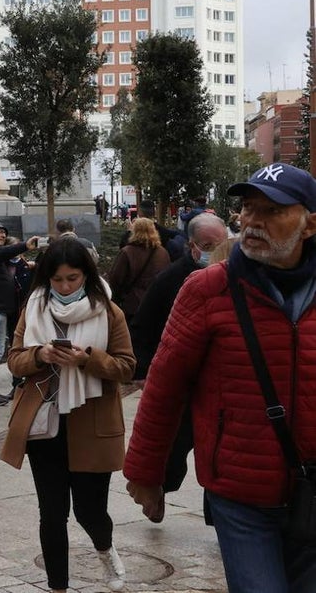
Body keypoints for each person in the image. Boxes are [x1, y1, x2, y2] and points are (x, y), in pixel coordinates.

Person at [125, 164, 316, 592]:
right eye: (248, 208)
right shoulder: (207, 289)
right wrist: (146, 471)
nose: (252, 221)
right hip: (241, 492)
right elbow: (164, 386)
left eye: (271, 210)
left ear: (309, 225)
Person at [1, 237, 135, 593]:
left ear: (85, 276)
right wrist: (40, 355)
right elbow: (14, 359)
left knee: (90, 512)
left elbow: (126, 367)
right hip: (44, 425)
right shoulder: (33, 307)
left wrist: (87, 359)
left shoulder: (108, 310)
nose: (64, 287)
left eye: (72, 279)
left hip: (91, 423)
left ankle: (105, 548)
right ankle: (57, 586)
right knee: (52, 514)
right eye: (57, 280)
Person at [127, 212, 228, 498]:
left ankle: (217, 513)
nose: (215, 252)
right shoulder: (170, 279)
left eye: (221, 244)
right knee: (174, 450)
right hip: (181, 384)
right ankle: (159, 491)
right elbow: (143, 327)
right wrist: (143, 372)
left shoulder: (238, 277)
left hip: (221, 385)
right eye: (208, 246)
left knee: (219, 456)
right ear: (192, 245)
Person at [0, 221, 42, 406]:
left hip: (2, 309)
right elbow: (0, 253)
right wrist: (24, 246)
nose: (2, 235)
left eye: (4, 232)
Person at [106, 217, 169, 325]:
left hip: (132, 305)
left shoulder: (127, 252)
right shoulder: (162, 253)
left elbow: (116, 278)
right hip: (156, 304)